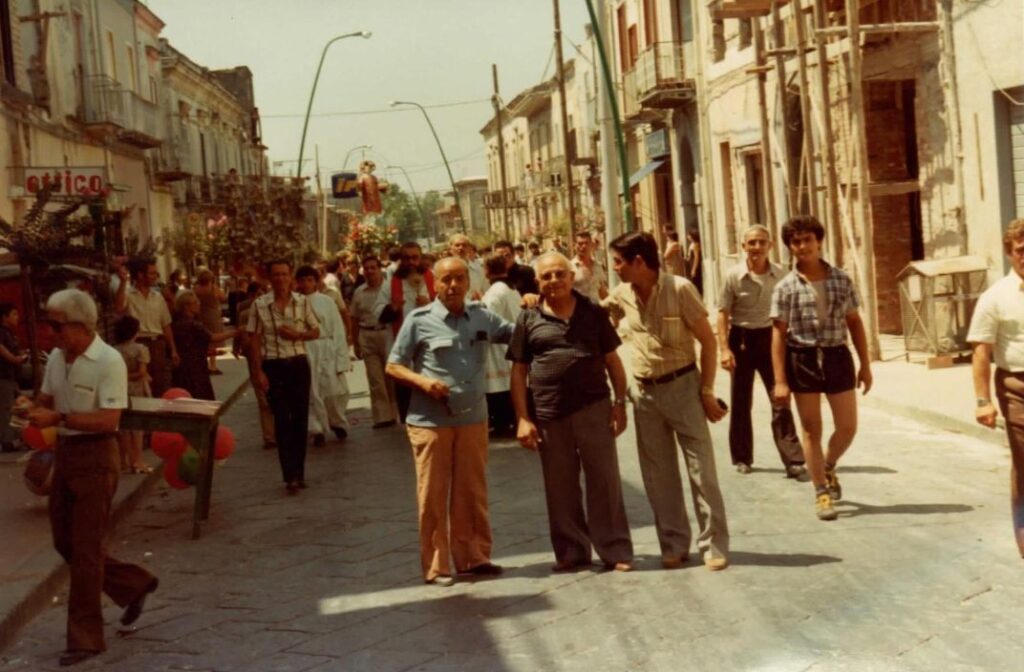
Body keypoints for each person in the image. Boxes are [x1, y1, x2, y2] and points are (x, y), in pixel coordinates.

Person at [26, 289, 158, 667]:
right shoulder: (56, 357)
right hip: (66, 455)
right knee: (65, 542)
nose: (51, 333)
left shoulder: (108, 361)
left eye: (57, 326)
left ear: (80, 326)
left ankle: (85, 637)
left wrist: (60, 420)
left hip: (98, 455)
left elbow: (109, 419)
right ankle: (134, 583)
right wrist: (33, 408)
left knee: (85, 550)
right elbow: (48, 399)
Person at [604, 231, 730, 571]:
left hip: (684, 388)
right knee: (658, 477)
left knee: (701, 471)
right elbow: (596, 317)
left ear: (639, 262)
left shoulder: (679, 289)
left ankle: (713, 544)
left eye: (618, 261)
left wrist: (706, 391)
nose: (614, 268)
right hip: (644, 393)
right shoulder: (621, 295)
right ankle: (674, 544)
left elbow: (708, 341)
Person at [385, 256, 514, 587]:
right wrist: (425, 383)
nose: (453, 285)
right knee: (432, 494)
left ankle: (474, 557)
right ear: (435, 283)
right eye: (446, 280)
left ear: (468, 282)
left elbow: (516, 334)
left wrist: (532, 304)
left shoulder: (482, 316)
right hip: (430, 422)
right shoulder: (419, 320)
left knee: (472, 491)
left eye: (459, 278)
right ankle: (437, 566)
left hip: (473, 418)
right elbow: (394, 366)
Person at [509, 252, 633, 572]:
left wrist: (620, 403)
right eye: (546, 276)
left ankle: (615, 549)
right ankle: (571, 552)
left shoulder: (592, 311)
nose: (554, 281)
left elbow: (614, 363)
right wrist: (523, 418)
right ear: (538, 282)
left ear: (571, 276)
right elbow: (519, 372)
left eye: (559, 274)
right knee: (560, 486)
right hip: (550, 414)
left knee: (605, 482)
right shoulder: (528, 317)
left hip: (594, 408)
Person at [770, 215, 872, 522]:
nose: (802, 247)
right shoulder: (785, 287)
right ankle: (821, 493)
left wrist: (866, 365)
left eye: (807, 240)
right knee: (812, 428)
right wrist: (780, 381)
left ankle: (827, 466)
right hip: (802, 358)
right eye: (796, 242)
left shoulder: (841, 279)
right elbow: (778, 333)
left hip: (837, 356)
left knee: (847, 427)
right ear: (790, 247)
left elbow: (854, 321)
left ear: (819, 241)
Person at [718, 226, 806, 478]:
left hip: (772, 338)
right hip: (742, 340)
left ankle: (793, 459)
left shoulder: (781, 274)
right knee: (741, 400)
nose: (757, 247)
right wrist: (725, 349)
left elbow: (792, 308)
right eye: (752, 243)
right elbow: (723, 313)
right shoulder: (733, 276)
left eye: (762, 243)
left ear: (770, 246)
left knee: (780, 397)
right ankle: (742, 457)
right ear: (743, 246)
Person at [969, 218, 1024, 557]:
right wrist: (982, 401)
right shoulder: (995, 297)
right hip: (1016, 386)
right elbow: (981, 352)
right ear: (1010, 253)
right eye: (1021, 250)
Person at [247, 259, 320, 494]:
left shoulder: (302, 302)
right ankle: (289, 475)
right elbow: (254, 339)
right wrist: (258, 371)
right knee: (281, 419)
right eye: (276, 275)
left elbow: (316, 330)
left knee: (300, 419)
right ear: (269, 278)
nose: (280, 279)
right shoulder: (259, 305)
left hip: (298, 364)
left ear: (290, 278)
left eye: (284, 274)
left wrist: (297, 335)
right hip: (273, 366)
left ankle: (299, 472)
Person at [374, 242, 436, 422]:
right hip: (403, 339)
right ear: (401, 260)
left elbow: (446, 304)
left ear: (421, 257)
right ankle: (410, 419)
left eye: (415, 257)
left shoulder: (431, 278)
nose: (411, 262)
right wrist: (393, 308)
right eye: (407, 258)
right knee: (406, 380)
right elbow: (377, 311)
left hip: (429, 339)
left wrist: (431, 303)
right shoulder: (391, 283)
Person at [296, 265, 350, 445]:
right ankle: (316, 429)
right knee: (312, 391)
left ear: (316, 282)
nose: (306, 284)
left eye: (309, 280)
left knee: (334, 390)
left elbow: (337, 329)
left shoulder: (327, 301)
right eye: (302, 281)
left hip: (327, 348)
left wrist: (342, 357)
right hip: (306, 348)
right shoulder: (294, 302)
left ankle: (337, 421)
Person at [115, 258, 179, 398]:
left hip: (157, 344)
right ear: (140, 275)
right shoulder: (128, 295)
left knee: (160, 383)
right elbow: (119, 308)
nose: (155, 277)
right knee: (140, 384)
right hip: (137, 345)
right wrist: (123, 282)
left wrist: (173, 349)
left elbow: (165, 324)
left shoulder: (158, 297)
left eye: (156, 273)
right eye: (152, 273)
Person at [350, 255, 398, 428]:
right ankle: (383, 416)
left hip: (387, 333)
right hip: (367, 334)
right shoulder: (359, 292)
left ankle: (396, 412)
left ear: (379, 269)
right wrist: (355, 343)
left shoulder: (390, 289)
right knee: (375, 378)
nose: (370, 271)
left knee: (392, 376)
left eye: (373, 268)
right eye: (366, 268)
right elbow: (354, 318)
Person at [481, 253, 521, 437]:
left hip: (499, 344)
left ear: (487, 270)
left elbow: (488, 320)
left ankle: (503, 423)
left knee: (499, 386)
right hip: (510, 341)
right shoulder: (510, 288)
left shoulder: (496, 291)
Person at [171, 291, 235, 401]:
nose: (199, 304)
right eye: (195, 302)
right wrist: (235, 332)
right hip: (195, 365)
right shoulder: (193, 324)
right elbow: (212, 337)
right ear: (187, 306)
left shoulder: (176, 321)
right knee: (200, 394)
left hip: (183, 365)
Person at [234, 282, 276, 449]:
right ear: (251, 296)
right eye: (257, 294)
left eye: (262, 293)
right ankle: (269, 436)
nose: (260, 297)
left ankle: (279, 431)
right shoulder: (245, 314)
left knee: (275, 396)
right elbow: (239, 332)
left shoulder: (272, 310)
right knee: (262, 398)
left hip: (272, 357)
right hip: (254, 358)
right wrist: (236, 346)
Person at [113, 316, 151, 474]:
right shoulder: (140, 349)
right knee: (137, 429)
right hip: (137, 390)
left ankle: (124, 461)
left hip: (119, 390)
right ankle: (138, 461)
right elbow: (141, 372)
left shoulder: (114, 350)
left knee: (123, 428)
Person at [0, 302, 28, 452]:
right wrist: (14, 359)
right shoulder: (1, 331)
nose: (17, 318)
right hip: (3, 377)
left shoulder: (11, 334)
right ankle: (8, 441)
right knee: (7, 409)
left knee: (19, 407)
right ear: (4, 317)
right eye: (14, 314)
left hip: (13, 377)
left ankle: (19, 437)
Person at [194, 269, 226, 374]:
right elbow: (223, 297)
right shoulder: (213, 288)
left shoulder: (196, 289)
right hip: (213, 316)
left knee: (203, 341)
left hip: (201, 315)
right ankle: (213, 365)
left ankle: (205, 364)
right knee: (213, 341)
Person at [570, 230, 608, 303]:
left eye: (586, 243)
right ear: (574, 245)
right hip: (578, 311)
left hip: (595, 311)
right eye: (580, 244)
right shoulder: (570, 267)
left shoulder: (598, 266)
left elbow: (602, 291)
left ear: (591, 244)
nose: (584, 246)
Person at [449, 233, 489, 299]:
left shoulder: (479, 270)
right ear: (451, 248)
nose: (461, 248)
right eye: (457, 245)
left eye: (464, 245)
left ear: (469, 248)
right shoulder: (444, 270)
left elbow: (487, 291)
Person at [686, 229, 703, 296]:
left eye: (688, 235)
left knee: (696, 281)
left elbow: (696, 257)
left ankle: (698, 295)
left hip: (694, 265)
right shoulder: (692, 244)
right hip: (691, 264)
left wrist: (694, 269)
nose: (687, 236)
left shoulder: (696, 244)